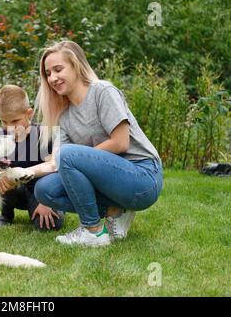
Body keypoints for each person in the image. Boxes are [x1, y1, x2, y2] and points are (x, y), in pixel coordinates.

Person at [20, 40, 163, 247]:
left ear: (76, 65)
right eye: (48, 73)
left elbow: (121, 142)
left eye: (58, 69)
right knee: (44, 190)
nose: (52, 78)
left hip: (143, 177)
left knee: (68, 155)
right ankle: (114, 211)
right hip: (111, 182)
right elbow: (56, 164)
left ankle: (92, 230)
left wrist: (78, 159)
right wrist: (19, 173)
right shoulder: (64, 116)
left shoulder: (102, 91)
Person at [0, 84, 65, 231]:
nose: (9, 127)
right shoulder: (1, 137)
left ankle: (51, 206)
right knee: (4, 178)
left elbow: (57, 171)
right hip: (16, 190)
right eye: (4, 121)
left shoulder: (44, 135)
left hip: (40, 191)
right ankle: (6, 215)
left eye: (15, 121)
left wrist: (46, 202)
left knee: (50, 225)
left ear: (29, 113)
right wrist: (2, 179)